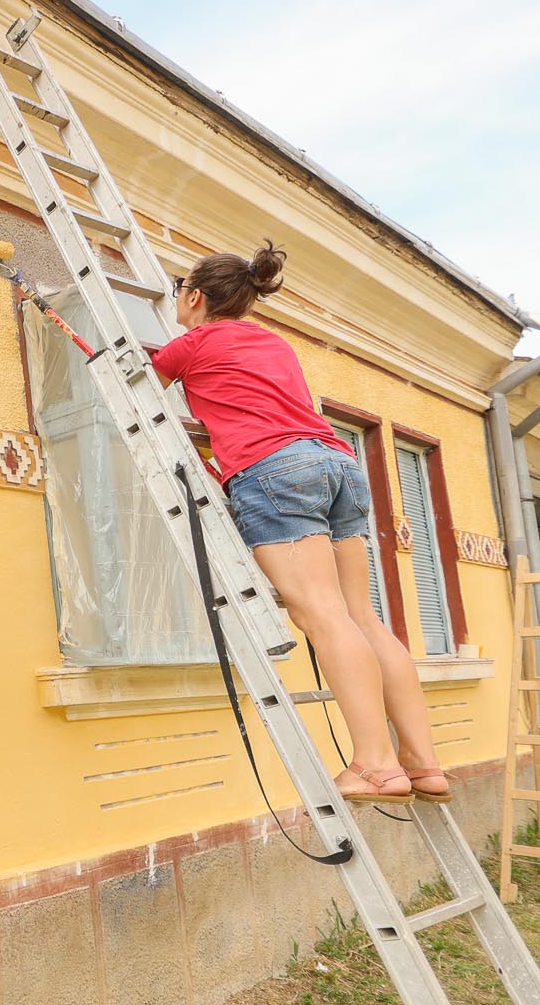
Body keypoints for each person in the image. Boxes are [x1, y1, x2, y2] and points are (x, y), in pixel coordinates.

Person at [154, 243, 444, 804]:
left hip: (276, 472)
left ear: (194, 297)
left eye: (179, 295)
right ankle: (423, 763)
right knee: (363, 615)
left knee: (325, 615)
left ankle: (375, 766)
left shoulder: (191, 344)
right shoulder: (274, 342)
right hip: (337, 464)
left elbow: (134, 379)